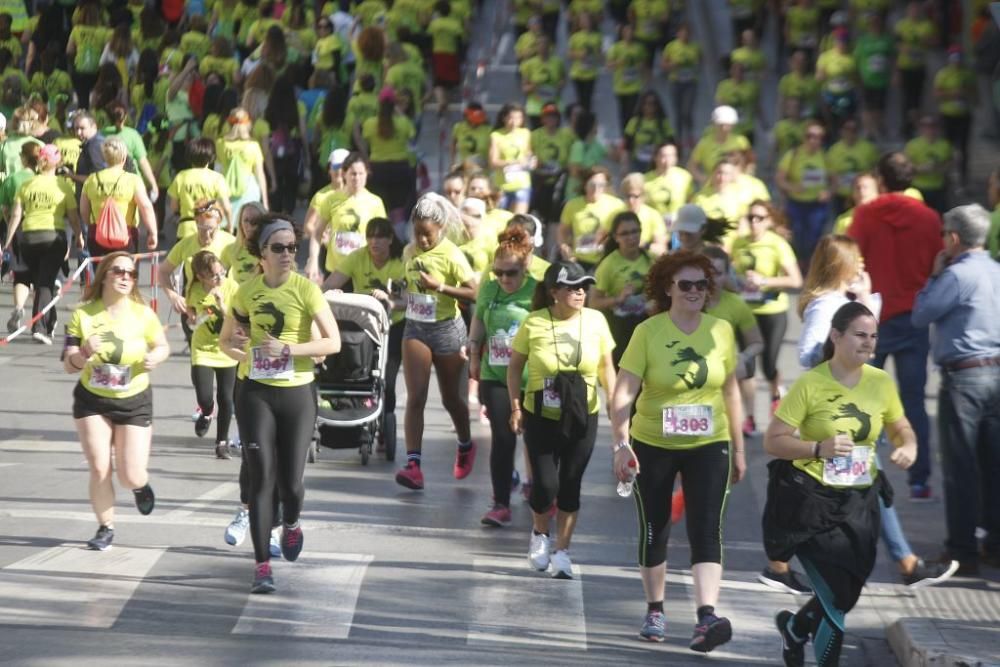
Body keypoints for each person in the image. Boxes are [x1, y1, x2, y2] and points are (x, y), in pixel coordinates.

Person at [794, 234, 960, 588]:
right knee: (852, 486)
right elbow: (808, 353)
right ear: (840, 264)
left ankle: (903, 561)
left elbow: (864, 342)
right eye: (856, 258)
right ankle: (904, 562)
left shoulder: (842, 300)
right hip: (833, 409)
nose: (863, 265)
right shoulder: (827, 305)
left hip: (848, 407)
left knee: (861, 485)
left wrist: (866, 302)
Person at [764, 301, 918, 667]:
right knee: (834, 594)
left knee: (846, 589)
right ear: (836, 336)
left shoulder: (880, 382)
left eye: (873, 336)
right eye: (859, 335)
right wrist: (819, 447)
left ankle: (795, 630)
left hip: (859, 501)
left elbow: (899, 425)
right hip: (810, 501)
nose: (869, 343)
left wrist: (908, 444)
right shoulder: (811, 384)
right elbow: (773, 440)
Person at [609, 250, 744, 650]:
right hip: (653, 443)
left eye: (701, 284)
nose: (694, 292)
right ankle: (655, 608)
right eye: (685, 285)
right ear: (667, 288)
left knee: (707, 528)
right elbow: (624, 391)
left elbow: (731, 389)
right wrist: (621, 444)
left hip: (709, 441)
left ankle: (706, 617)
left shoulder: (720, 330)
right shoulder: (648, 332)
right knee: (656, 527)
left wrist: (737, 449)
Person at [219, 214, 341, 594]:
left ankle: (291, 523)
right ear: (262, 254)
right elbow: (226, 341)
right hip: (255, 391)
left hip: (297, 393)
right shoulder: (245, 292)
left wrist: (290, 349)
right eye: (279, 248)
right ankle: (261, 566)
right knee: (260, 479)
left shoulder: (307, 290)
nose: (288, 254)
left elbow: (332, 342)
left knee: (291, 484)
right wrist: (240, 353)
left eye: (293, 247)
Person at [508, 261, 615, 578]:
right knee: (545, 484)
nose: (581, 291)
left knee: (570, 484)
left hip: (584, 412)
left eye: (584, 286)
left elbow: (607, 366)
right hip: (541, 413)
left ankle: (562, 551)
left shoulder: (596, 320)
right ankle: (540, 534)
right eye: (572, 286)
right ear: (554, 292)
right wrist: (515, 407)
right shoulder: (534, 322)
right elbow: (514, 368)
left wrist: (615, 403)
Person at [912, 204, 1000, 576]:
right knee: (993, 466)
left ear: (953, 238)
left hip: (964, 378)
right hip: (995, 373)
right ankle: (994, 545)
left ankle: (961, 551)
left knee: (960, 467)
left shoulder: (957, 275)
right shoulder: (996, 270)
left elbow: (921, 314)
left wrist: (933, 277)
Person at [62, 251, 170, 551]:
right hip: (92, 400)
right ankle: (105, 527)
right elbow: (67, 364)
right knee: (99, 468)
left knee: (130, 473)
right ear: (105, 275)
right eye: (119, 271)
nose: (125, 277)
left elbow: (162, 346)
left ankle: (139, 486)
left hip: (134, 398)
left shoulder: (142, 313)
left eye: (131, 274)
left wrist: (154, 358)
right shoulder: (83, 315)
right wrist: (82, 353)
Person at [848, 152, 941, 500]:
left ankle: (857, 470)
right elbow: (936, 264)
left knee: (860, 396)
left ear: (881, 179)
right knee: (914, 400)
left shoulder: (866, 213)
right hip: (913, 317)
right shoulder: (929, 218)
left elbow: (851, 258)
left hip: (871, 316)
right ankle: (919, 479)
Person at [395, 194, 479, 491]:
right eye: (417, 233)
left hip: (447, 328)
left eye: (428, 234)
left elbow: (475, 293)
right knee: (415, 396)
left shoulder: (452, 254)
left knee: (451, 399)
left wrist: (440, 287)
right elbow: (408, 290)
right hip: (416, 327)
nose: (422, 239)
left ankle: (466, 444)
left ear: (440, 228)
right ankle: (413, 465)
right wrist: (396, 298)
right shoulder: (408, 252)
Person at [468, 227, 538, 526]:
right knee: (503, 437)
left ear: (525, 268)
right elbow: (479, 321)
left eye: (511, 273)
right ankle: (500, 502)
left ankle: (539, 488)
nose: (505, 280)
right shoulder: (489, 288)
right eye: (499, 273)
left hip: (531, 377)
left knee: (535, 439)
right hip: (495, 374)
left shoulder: (538, 290)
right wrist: (472, 351)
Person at [323, 217, 406, 431]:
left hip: (392, 324)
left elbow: (407, 301)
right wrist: (333, 291)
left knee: (386, 378)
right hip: (361, 323)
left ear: (389, 239)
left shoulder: (401, 263)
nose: (374, 242)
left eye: (380, 236)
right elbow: (329, 284)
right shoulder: (358, 257)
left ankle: (386, 417)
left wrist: (389, 300)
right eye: (370, 236)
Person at [1, 144, 83, 344]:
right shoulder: (62, 185)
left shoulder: (28, 184)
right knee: (45, 282)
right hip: (53, 238)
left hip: (28, 238)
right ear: (58, 163)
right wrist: (79, 236)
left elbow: (16, 215)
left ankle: (50, 320)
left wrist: (9, 241)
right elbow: (72, 216)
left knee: (41, 280)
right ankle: (39, 327)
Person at [731, 200, 803, 422]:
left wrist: (765, 281)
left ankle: (776, 398)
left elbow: (796, 280)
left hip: (773, 310)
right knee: (747, 365)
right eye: (750, 217)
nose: (754, 222)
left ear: (769, 221)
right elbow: (731, 274)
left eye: (759, 218)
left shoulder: (777, 244)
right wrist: (740, 281)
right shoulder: (738, 243)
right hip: (746, 312)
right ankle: (750, 416)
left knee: (769, 364)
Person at [186, 250, 239, 458]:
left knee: (226, 398)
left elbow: (236, 321)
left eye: (221, 272)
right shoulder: (195, 290)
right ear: (201, 277)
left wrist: (221, 304)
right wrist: (191, 318)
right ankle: (207, 413)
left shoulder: (231, 287)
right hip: (202, 350)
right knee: (205, 396)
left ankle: (221, 442)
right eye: (214, 276)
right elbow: (191, 315)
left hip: (226, 349)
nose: (219, 278)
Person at [311, 152, 388, 279]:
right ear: (344, 174)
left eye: (361, 174)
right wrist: (313, 261)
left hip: (364, 272)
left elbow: (384, 239)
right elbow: (317, 233)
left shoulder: (375, 202)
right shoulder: (331, 200)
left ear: (367, 174)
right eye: (353, 174)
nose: (356, 178)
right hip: (335, 271)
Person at [159, 200, 238, 322]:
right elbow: (163, 272)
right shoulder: (186, 244)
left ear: (219, 224)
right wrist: (173, 296)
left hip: (226, 309)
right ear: (196, 222)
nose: (206, 235)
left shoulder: (231, 243)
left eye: (211, 229)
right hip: (194, 311)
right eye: (201, 228)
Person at [591, 211, 652, 368]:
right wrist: (619, 299)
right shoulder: (608, 264)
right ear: (616, 237)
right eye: (624, 233)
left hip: (646, 327)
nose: (631, 237)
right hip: (619, 331)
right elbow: (593, 303)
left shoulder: (650, 259)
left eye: (635, 231)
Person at [79, 137, 157, 255]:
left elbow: (84, 211)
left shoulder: (91, 180)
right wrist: (153, 232)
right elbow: (146, 207)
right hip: (126, 235)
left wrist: (91, 226)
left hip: (97, 235)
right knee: (125, 270)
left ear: (104, 157)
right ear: (124, 157)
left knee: (101, 272)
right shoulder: (133, 180)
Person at [776, 120, 831, 270]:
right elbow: (780, 179)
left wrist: (828, 191)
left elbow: (835, 180)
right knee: (798, 236)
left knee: (814, 237)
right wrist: (792, 187)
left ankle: (812, 267)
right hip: (796, 203)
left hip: (817, 204)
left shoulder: (825, 156)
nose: (813, 140)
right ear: (804, 137)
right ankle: (800, 266)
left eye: (818, 137)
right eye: (810, 136)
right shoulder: (793, 154)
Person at [360, 87, 416, 218]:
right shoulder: (404, 123)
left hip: (377, 168)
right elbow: (412, 136)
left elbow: (365, 145)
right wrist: (399, 113)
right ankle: (398, 236)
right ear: (394, 104)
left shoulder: (369, 124)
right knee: (398, 208)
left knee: (379, 206)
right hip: (400, 168)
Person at [558, 167, 624, 270]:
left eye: (601, 185)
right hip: (578, 260)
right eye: (592, 184)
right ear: (585, 184)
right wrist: (564, 246)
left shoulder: (618, 205)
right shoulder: (572, 205)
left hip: (607, 261)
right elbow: (563, 230)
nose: (596, 188)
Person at [168, 138, 234, 239]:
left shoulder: (181, 176)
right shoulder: (217, 178)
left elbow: (173, 207)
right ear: (211, 157)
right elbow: (227, 208)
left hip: (186, 230)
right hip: (210, 229)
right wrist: (230, 227)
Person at [217, 108, 270, 220]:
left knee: (227, 231)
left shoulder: (220, 143)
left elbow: (217, 170)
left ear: (229, 124)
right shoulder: (253, 145)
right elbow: (259, 174)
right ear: (248, 124)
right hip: (249, 191)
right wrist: (265, 201)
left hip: (226, 191)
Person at [687, 105, 750, 186]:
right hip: (713, 186)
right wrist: (703, 179)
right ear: (714, 124)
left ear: (733, 125)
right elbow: (691, 166)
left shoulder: (741, 142)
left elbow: (750, 163)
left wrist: (742, 177)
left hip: (736, 185)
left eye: (728, 125)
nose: (724, 128)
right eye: (721, 125)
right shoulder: (704, 143)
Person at [489, 103, 534, 215]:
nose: (514, 122)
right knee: (500, 217)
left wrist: (532, 161)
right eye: (511, 118)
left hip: (522, 182)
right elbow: (493, 162)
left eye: (518, 118)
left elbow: (529, 153)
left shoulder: (526, 133)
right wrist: (512, 162)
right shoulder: (496, 135)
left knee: (519, 219)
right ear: (504, 118)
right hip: (503, 184)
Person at [660, 23, 700, 146]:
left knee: (687, 111)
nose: (685, 35)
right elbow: (663, 65)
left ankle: (690, 135)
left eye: (687, 33)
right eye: (682, 32)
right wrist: (672, 65)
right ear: (678, 34)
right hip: (675, 82)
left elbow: (701, 61)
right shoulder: (671, 47)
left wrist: (693, 68)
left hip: (690, 83)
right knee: (677, 113)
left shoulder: (695, 47)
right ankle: (678, 138)